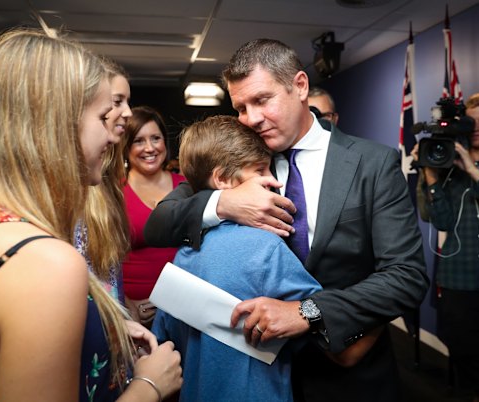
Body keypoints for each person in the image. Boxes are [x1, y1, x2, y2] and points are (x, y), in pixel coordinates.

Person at [144, 38, 429, 402]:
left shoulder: (373, 163)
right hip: (258, 374)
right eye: (241, 107)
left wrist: (306, 312)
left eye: (262, 100)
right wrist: (225, 202)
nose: (251, 119)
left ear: (299, 86)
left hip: (347, 372)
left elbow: (406, 277)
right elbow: (159, 225)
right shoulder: (240, 156)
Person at [0, 28, 182, 402]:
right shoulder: (45, 263)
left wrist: (103, 329)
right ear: (56, 126)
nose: (113, 137)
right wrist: (150, 386)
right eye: (102, 117)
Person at [152, 115, 386, 401]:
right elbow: (342, 352)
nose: (273, 181)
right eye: (260, 170)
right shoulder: (265, 251)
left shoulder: (184, 255)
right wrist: (385, 304)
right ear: (223, 179)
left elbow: (165, 344)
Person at [413, 92, 479, 402]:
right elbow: (440, 222)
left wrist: (473, 169)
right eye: (472, 121)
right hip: (461, 289)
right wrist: (430, 176)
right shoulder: (445, 169)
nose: (477, 127)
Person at [120, 106, 185, 327]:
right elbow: (98, 259)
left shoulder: (188, 187)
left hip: (184, 309)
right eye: (139, 141)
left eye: (155, 138)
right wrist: (126, 304)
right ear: (126, 146)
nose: (149, 148)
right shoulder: (113, 193)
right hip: (132, 314)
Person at [75, 61, 133, 303]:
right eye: (117, 101)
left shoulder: (107, 177)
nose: (128, 112)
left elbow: (108, 271)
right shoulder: (79, 179)